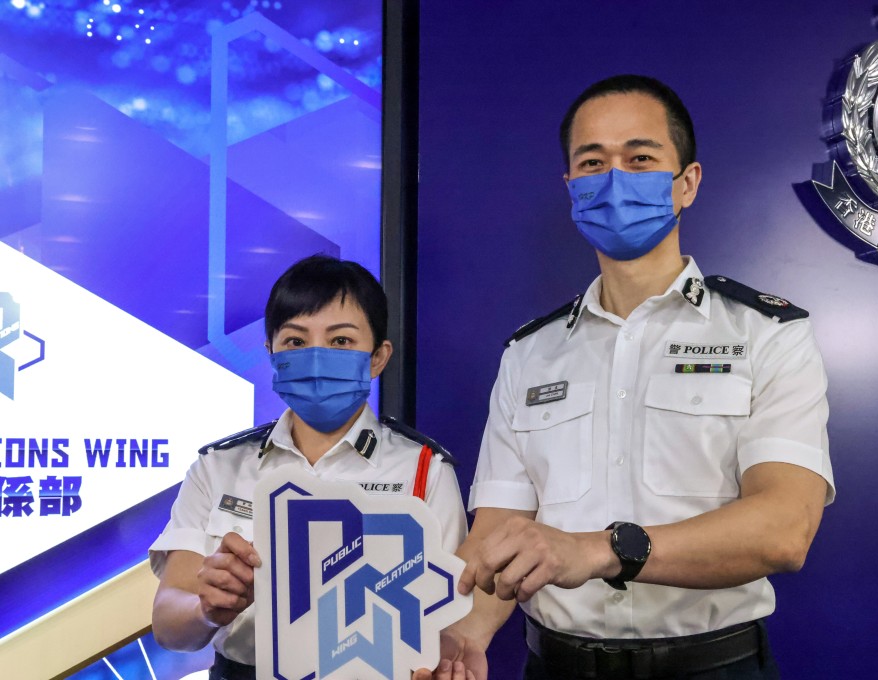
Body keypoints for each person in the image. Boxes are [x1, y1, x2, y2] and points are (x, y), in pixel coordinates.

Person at [416, 75, 835, 680]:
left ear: (685, 183)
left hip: (713, 668)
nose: (615, 179)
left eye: (640, 158)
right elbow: (500, 534)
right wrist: (461, 631)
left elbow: (784, 529)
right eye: (593, 162)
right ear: (572, 188)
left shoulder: (767, 333)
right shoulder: (528, 355)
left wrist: (599, 550)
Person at [149, 254, 468, 680]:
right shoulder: (218, 468)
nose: (316, 358)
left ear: (377, 358)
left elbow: (449, 626)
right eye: (296, 342)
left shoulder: (424, 471)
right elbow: (170, 627)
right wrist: (208, 609)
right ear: (272, 354)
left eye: (340, 342)